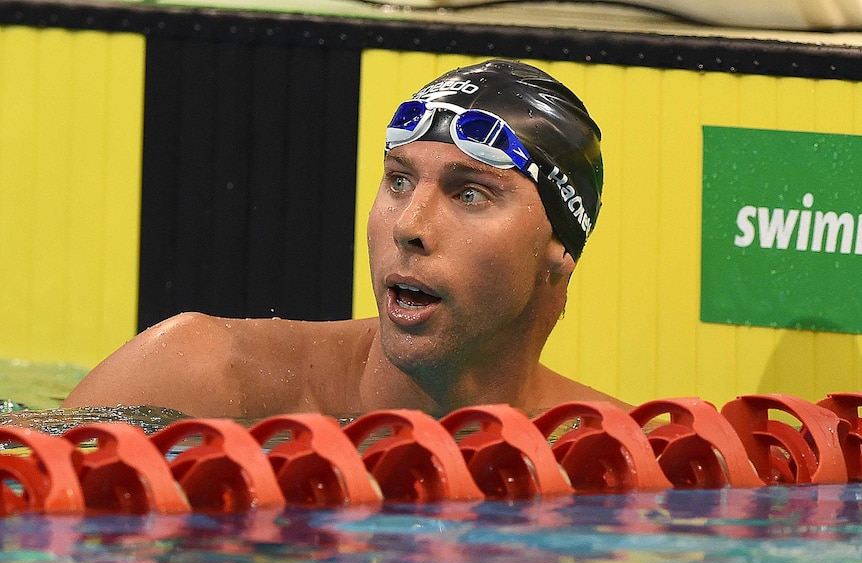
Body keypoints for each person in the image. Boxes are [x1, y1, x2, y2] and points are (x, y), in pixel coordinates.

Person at [62, 59, 626, 418]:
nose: (410, 226)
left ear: (562, 247)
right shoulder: (200, 379)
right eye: (399, 182)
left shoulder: (631, 452)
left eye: (469, 193)